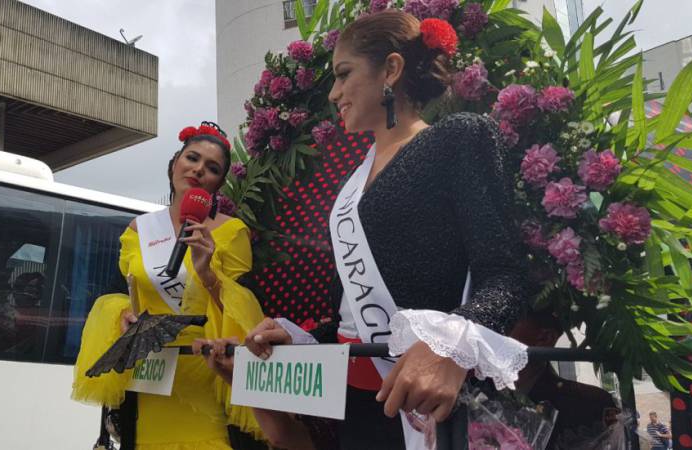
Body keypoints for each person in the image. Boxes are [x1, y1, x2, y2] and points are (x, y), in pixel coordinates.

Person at [243, 10, 529, 450]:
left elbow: (505, 277)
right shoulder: (351, 184)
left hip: (432, 406)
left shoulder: (458, 138)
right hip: (361, 409)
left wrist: (451, 347)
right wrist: (303, 338)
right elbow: (352, 316)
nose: (335, 93)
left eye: (344, 74)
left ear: (391, 70)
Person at [72, 122, 266, 449]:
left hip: (203, 369)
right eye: (192, 158)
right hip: (150, 371)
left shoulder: (231, 233)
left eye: (212, 168)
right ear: (175, 161)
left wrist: (207, 274)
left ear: (218, 184)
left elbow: (242, 313)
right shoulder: (140, 229)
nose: (198, 169)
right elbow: (130, 291)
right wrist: (124, 315)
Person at [510, 310, 619, 449]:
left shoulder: (589, 404)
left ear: (545, 338)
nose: (486, 334)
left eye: (506, 323)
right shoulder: (478, 388)